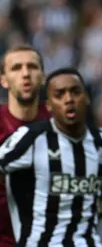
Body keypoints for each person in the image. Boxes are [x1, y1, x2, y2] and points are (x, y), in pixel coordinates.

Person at [0, 67, 102, 247]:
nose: (68, 99)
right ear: (48, 105)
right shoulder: (29, 138)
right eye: (59, 94)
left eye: (75, 92)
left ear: (86, 97)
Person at [0, 45, 50, 247]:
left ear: (43, 76)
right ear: (3, 80)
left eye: (32, 66)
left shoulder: (60, 124)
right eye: (16, 68)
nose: (25, 74)